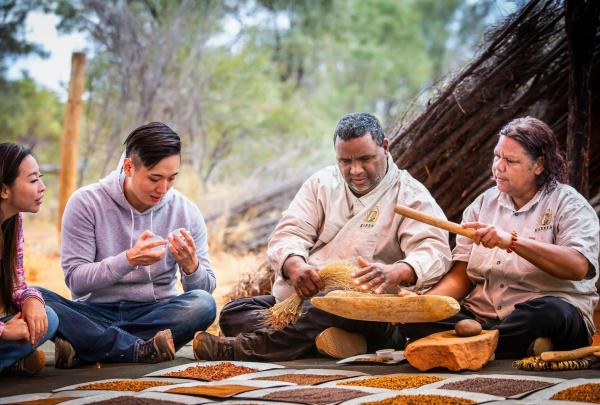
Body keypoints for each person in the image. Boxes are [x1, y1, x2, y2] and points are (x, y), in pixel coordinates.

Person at [193, 112, 452, 361]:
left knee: (332, 311)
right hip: (307, 303)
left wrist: (397, 272)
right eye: (345, 162)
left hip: (369, 313)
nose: (356, 170)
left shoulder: (409, 194)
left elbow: (434, 250)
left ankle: (240, 350)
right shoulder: (321, 184)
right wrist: (296, 266)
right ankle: (331, 342)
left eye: (365, 159)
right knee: (234, 314)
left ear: (385, 147)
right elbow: (290, 232)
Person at [392, 117, 599, 358]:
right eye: (496, 156)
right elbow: (462, 277)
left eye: (510, 160)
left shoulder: (569, 204)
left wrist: (511, 242)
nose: (498, 166)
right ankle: (508, 345)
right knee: (417, 319)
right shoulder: (482, 205)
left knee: (548, 313)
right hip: (482, 317)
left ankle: (476, 345)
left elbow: (577, 266)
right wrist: (425, 305)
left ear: (539, 165)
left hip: (540, 312)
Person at [40, 122, 217, 367]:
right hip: (94, 312)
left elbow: (204, 290)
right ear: (129, 167)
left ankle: (89, 344)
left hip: (156, 313)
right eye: (155, 178)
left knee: (203, 304)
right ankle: (135, 347)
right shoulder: (86, 202)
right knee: (34, 297)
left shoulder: (186, 212)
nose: (163, 189)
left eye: (171, 178)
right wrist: (129, 260)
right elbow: (77, 283)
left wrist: (191, 266)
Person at [0, 143, 58, 375]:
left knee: (48, 317)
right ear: (4, 190)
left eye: (40, 179)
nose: (42, 188)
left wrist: (32, 300)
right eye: (33, 181)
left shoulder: (14, 222)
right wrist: (3, 331)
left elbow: (17, 284)